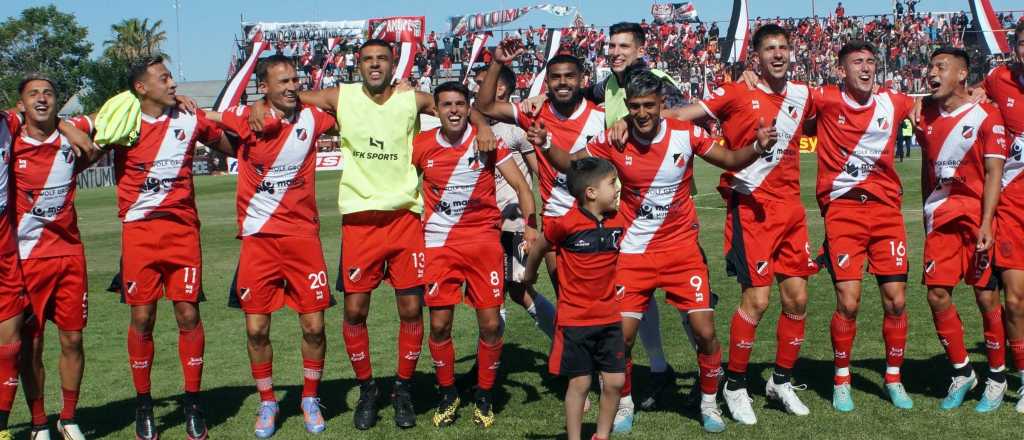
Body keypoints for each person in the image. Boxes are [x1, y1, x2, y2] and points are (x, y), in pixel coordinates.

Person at [248, 38, 496, 431]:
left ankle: (402, 390)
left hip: (404, 219)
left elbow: (458, 108)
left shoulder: (412, 98)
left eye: (382, 58)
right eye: (367, 59)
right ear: (357, 64)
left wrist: (481, 124)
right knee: (354, 311)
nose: (375, 65)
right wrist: (259, 107)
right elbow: (290, 94)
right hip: (360, 221)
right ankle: (367, 390)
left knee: (411, 311)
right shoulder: (340, 96)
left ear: (393, 63)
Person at [537, 71, 775, 433]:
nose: (642, 113)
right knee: (623, 336)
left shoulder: (686, 134)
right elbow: (573, 165)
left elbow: (728, 159)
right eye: (635, 106)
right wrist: (544, 143)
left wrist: (757, 146)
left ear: (663, 104)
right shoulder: (614, 139)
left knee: (704, 331)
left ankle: (709, 403)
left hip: (682, 251)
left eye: (649, 105)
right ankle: (623, 403)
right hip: (633, 254)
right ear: (627, 107)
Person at [658, 24, 818, 424]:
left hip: (791, 212)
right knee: (758, 301)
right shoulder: (734, 91)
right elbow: (679, 114)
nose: (778, 54)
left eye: (783, 47)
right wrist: (634, 118)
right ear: (757, 58)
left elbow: (845, 106)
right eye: (769, 49)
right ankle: (736, 384)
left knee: (797, 300)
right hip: (751, 209)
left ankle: (780, 380)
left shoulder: (802, 95)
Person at [102, 56, 234, 440]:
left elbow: (233, 146)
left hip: (183, 235)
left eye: (171, 76)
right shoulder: (122, 125)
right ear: (142, 88)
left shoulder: (189, 119)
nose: (173, 83)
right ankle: (144, 406)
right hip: (140, 235)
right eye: (164, 78)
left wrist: (218, 120)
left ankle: (194, 404)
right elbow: (85, 147)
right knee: (142, 319)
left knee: (187, 316)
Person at [215, 55, 338, 437]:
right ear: (263, 88)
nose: (290, 86)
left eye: (294, 80)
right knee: (256, 330)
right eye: (281, 81)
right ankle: (268, 401)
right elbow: (217, 119)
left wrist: (309, 95)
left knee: (315, 326)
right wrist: (254, 108)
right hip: (258, 240)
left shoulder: (313, 117)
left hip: (303, 239)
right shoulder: (245, 119)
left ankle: (309, 397)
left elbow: (342, 100)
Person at [411, 81, 538, 429]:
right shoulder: (421, 146)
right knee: (439, 325)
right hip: (439, 245)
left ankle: (484, 394)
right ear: (435, 110)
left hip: (483, 243)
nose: (453, 110)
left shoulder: (488, 141)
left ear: (468, 108)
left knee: (491, 324)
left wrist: (529, 226)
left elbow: (523, 188)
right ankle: (448, 393)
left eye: (459, 104)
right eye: (445, 104)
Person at [808, 41, 917, 411]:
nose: (867, 68)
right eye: (857, 62)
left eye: (871, 61)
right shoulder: (823, 99)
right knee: (849, 303)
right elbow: (782, 103)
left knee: (897, 301)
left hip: (886, 212)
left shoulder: (894, 101)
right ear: (841, 70)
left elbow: (924, 106)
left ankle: (893, 378)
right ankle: (842, 379)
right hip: (843, 212)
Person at [915, 47, 1007, 411]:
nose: (932, 72)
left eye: (941, 66)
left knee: (986, 297)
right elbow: (926, 166)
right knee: (936, 294)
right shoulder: (925, 115)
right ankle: (963, 370)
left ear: (962, 74)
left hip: (975, 219)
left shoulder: (987, 115)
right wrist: (925, 212)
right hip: (940, 219)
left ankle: (997, 376)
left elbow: (993, 173)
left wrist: (987, 222)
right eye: (930, 66)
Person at [10, 76, 97, 440]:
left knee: (73, 340)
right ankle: (38, 421)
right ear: (21, 104)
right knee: (31, 345)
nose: (42, 99)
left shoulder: (73, 131)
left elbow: (121, 111)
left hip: (70, 256)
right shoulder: (10, 142)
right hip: (28, 260)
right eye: (34, 94)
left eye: (48, 93)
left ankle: (69, 416)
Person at [522, 157, 625, 440]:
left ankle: (602, 436)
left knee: (615, 382)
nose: (618, 188)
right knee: (580, 383)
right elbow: (540, 246)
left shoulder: (620, 219)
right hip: (575, 320)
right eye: (612, 183)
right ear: (591, 193)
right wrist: (529, 275)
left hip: (609, 318)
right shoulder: (565, 224)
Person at [470, 66, 556, 338]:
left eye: (481, 83)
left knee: (518, 289)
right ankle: (492, 361)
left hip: (515, 222)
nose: (475, 88)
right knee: (491, 292)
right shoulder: (472, 125)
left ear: (500, 88)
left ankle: (562, 340)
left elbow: (542, 172)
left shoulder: (516, 128)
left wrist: (535, 221)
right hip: (483, 224)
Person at [981, 20, 1024, 413]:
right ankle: (1022, 381)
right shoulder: (999, 78)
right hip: (1012, 207)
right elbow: (968, 98)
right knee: (1014, 300)